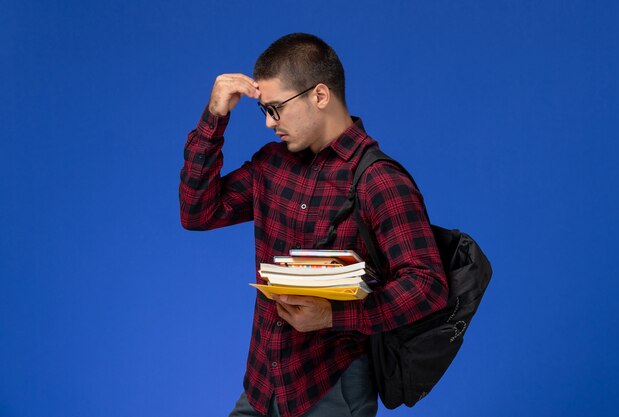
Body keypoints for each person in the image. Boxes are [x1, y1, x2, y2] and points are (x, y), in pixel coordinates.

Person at [179, 33, 448, 417]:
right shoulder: (272, 165)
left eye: (276, 108)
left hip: (330, 389)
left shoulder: (378, 180)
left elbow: (427, 285)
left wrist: (333, 316)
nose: (270, 124)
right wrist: (214, 117)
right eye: (264, 111)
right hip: (262, 385)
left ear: (319, 96)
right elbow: (197, 212)